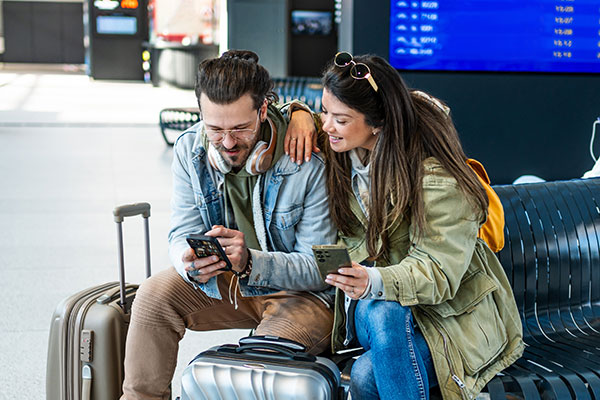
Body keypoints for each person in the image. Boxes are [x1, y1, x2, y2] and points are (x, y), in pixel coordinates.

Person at [286, 52, 524, 400]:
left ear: (377, 124)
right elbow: (263, 119)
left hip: (451, 318)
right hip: (380, 314)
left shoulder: (436, 178)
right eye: (323, 111)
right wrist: (298, 114)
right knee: (384, 312)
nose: (326, 126)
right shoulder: (338, 149)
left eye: (340, 118)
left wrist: (375, 280)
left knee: (367, 376)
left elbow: (438, 272)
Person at [121, 50, 336, 400]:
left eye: (240, 128)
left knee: (257, 366)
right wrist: (187, 260)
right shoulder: (190, 148)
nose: (227, 142)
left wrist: (251, 261)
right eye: (215, 128)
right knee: (152, 298)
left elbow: (319, 269)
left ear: (264, 110)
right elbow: (180, 232)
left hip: (300, 296)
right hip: (228, 282)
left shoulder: (305, 161)